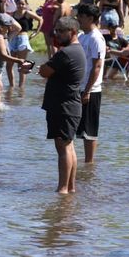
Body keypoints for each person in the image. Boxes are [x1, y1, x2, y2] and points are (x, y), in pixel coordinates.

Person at [38, 16, 86, 194]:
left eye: (60, 31)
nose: (56, 34)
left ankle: (62, 189)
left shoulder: (65, 53)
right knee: (69, 146)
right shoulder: (77, 50)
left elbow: (45, 71)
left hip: (63, 107)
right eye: (56, 30)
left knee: (63, 148)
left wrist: (43, 66)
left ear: (72, 32)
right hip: (70, 106)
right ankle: (70, 188)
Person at [76, 4, 105, 163]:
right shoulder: (82, 36)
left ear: (90, 18)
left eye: (81, 16)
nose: (78, 19)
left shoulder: (96, 38)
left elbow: (97, 66)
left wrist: (87, 90)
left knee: (90, 130)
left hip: (91, 90)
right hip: (79, 87)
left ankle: (89, 163)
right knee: (79, 129)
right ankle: (84, 165)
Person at [7, 0, 42, 87]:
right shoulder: (13, 14)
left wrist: (36, 32)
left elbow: (40, 19)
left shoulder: (27, 13)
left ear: (26, 5)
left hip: (23, 39)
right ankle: (11, 87)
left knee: (22, 65)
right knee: (9, 65)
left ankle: (21, 88)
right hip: (13, 39)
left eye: (23, 4)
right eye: (19, 3)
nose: (21, 5)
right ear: (16, 4)